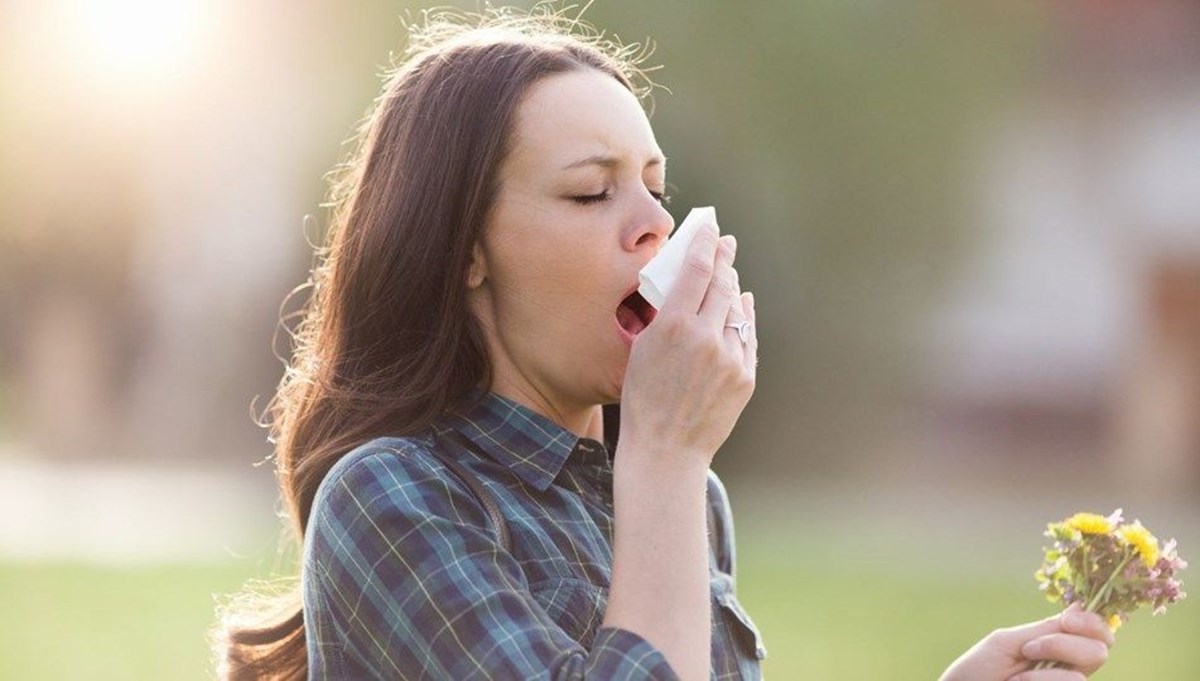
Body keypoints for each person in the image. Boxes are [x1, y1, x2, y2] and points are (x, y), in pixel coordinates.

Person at [215, 7, 1115, 681]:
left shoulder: (685, 497)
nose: (655, 225)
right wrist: (668, 455)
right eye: (588, 192)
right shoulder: (392, 498)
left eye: (655, 186)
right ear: (466, 252)